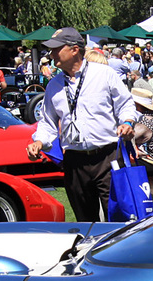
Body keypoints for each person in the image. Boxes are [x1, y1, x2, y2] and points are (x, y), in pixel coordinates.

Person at [28, 27, 136, 222]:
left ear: (74, 49)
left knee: (119, 219)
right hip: (75, 162)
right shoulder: (54, 85)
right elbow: (47, 122)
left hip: (108, 156)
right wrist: (39, 142)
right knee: (86, 222)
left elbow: (126, 103)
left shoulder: (104, 74)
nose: (51, 54)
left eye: (56, 49)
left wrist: (127, 121)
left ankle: (120, 253)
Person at [129, 79, 153, 186]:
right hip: (145, 161)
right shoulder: (145, 118)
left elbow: (128, 136)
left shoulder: (147, 120)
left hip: (152, 163)